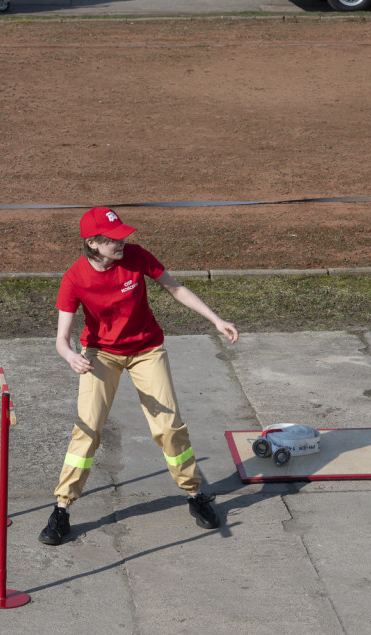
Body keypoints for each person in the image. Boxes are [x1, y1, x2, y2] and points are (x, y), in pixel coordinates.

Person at [39, 207, 239, 546]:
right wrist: (72, 356)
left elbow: (175, 289)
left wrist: (215, 319)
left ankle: (194, 494)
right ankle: (62, 508)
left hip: (147, 350)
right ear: (93, 243)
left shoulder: (136, 257)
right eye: (114, 239)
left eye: (122, 235)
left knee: (169, 425)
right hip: (100, 355)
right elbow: (61, 339)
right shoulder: (74, 278)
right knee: (87, 429)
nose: (123, 241)